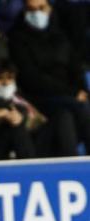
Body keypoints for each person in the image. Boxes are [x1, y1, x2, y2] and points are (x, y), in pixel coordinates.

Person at [9, 0, 90, 152]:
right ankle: (73, 164)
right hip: (39, 96)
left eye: (41, 8)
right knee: (81, 108)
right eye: (31, 9)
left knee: (65, 115)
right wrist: (72, 93)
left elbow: (75, 67)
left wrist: (82, 90)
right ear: (24, 12)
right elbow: (31, 77)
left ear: (50, 9)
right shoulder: (17, 39)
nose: (37, 13)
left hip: (66, 97)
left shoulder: (59, 35)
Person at [0, 58, 77, 157]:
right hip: (18, 144)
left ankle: (72, 161)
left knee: (63, 115)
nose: (6, 83)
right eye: (0, 78)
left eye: (9, 78)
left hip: (38, 137)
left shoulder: (20, 96)